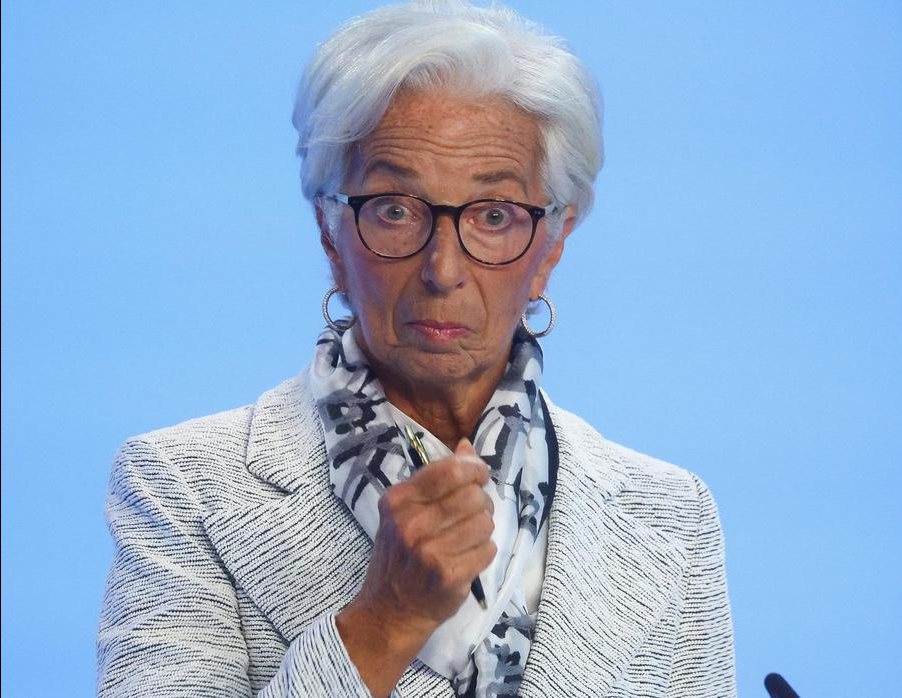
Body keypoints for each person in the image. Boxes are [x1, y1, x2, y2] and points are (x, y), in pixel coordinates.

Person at [95, 2, 735, 697]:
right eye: (396, 209)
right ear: (330, 233)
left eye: (493, 215)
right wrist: (385, 621)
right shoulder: (184, 487)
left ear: (550, 246)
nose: (443, 269)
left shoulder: (669, 513)